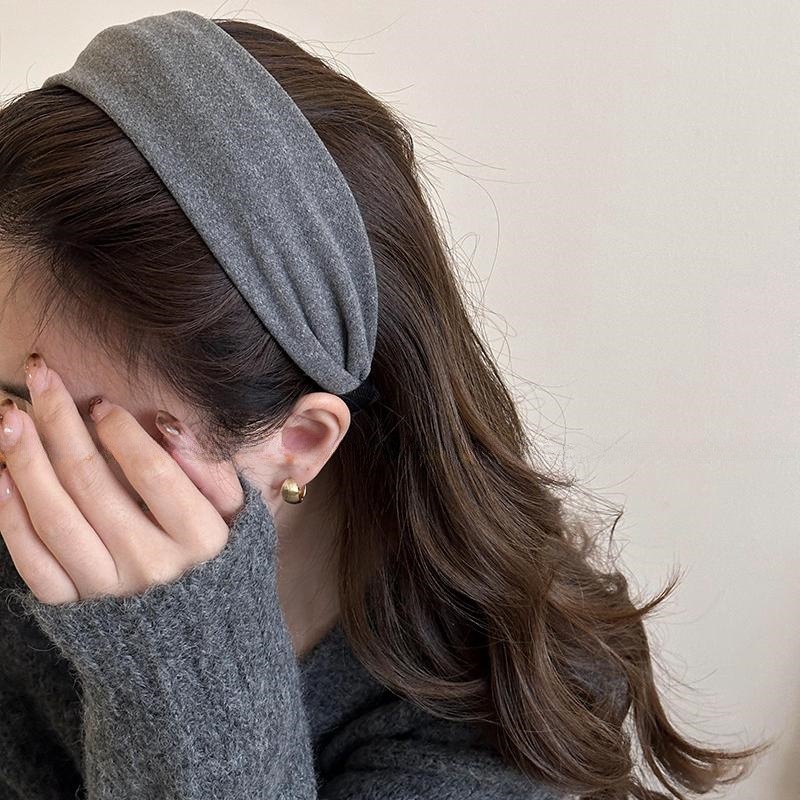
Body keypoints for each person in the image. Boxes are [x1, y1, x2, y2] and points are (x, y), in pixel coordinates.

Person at [0, 10, 769, 800]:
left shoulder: (490, 713)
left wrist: (177, 666)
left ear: (300, 441)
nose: (15, 452)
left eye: (63, 429)